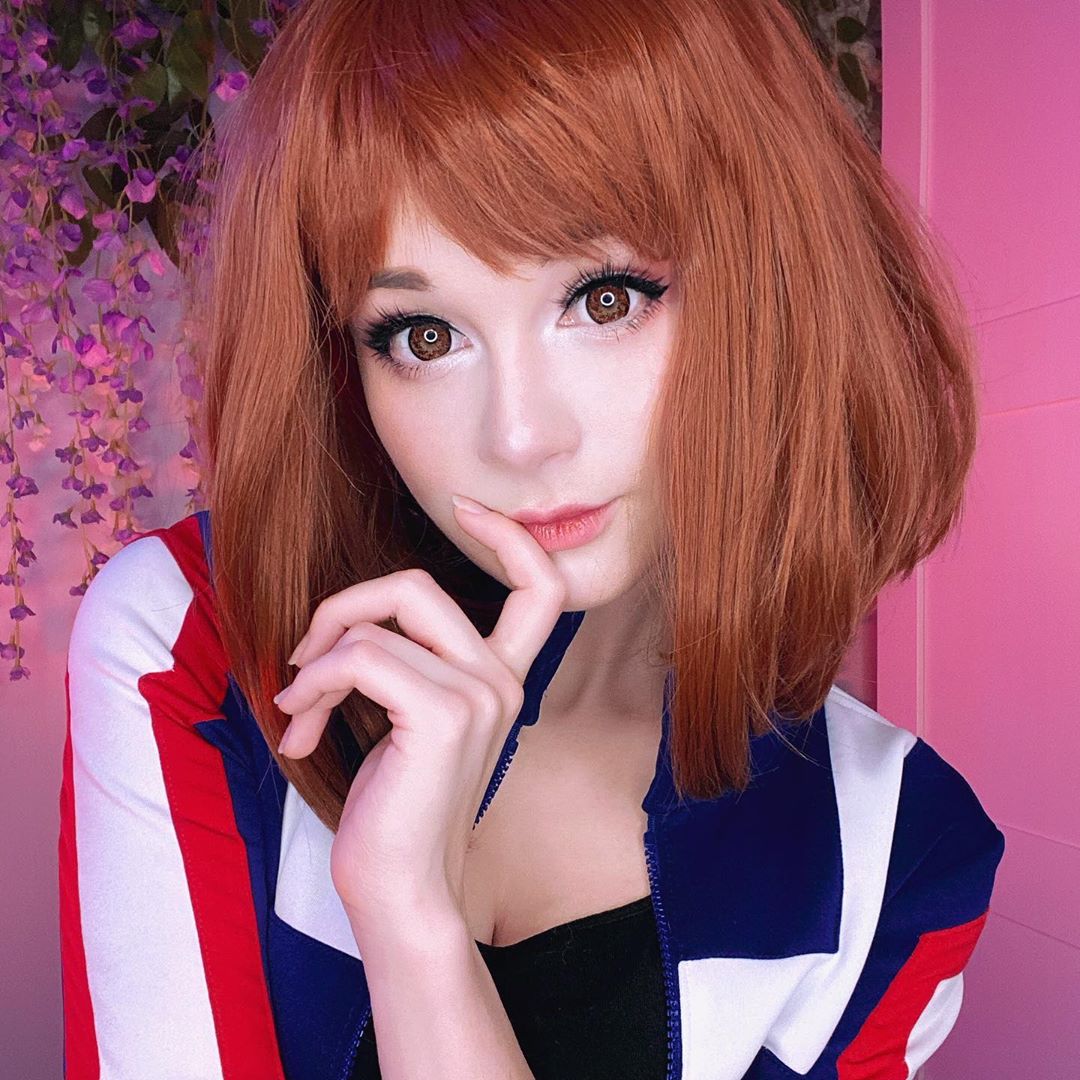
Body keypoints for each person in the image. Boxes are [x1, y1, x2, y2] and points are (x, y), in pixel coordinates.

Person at [57, 0, 1006, 1077]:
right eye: (425, 337)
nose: (518, 436)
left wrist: (414, 927)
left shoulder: (891, 852)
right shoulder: (192, 644)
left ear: (771, 281)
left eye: (603, 300)